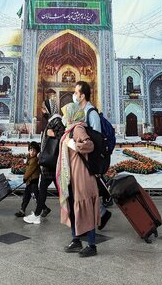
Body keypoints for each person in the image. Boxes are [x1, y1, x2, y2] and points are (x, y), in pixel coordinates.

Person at [56, 103, 100, 258]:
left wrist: (73, 145)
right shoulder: (70, 129)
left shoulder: (78, 128)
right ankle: (76, 239)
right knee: (73, 206)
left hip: (81, 175)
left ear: (72, 114)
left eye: (66, 113)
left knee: (85, 207)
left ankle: (92, 244)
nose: (64, 116)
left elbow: (89, 145)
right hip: (72, 175)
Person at [72, 81, 112, 230]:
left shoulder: (92, 113)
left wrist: (94, 165)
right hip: (84, 159)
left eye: (76, 93)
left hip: (91, 160)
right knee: (87, 190)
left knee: (89, 190)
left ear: (82, 95)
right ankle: (100, 214)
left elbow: (98, 140)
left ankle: (99, 215)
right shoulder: (81, 112)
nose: (74, 95)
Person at [23, 99, 65, 224]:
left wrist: (53, 134)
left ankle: (37, 215)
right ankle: (38, 214)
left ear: (49, 109)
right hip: (49, 162)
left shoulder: (57, 121)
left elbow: (63, 137)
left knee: (48, 190)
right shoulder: (52, 120)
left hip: (51, 162)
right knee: (46, 189)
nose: (42, 111)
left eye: (43, 108)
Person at [15, 141, 41, 218]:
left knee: (36, 197)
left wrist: (25, 178)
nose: (32, 152)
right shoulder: (30, 158)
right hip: (30, 181)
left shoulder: (34, 160)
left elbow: (29, 170)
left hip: (33, 181)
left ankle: (45, 208)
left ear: (37, 152)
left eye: (34, 151)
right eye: (31, 150)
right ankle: (22, 210)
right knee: (26, 196)